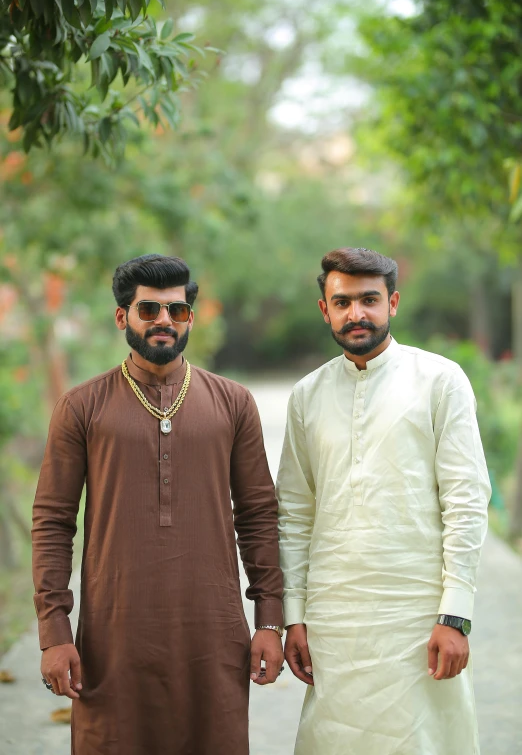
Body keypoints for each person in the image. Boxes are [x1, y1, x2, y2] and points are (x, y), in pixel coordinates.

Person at [32, 254, 284, 755]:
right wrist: (54, 631)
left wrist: (270, 619)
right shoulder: (82, 407)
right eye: (149, 309)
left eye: (177, 310)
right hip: (114, 638)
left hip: (213, 637)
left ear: (189, 316)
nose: (164, 320)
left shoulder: (233, 403)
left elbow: (258, 516)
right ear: (122, 316)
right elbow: (53, 522)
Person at [277, 247, 491, 755]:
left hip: (418, 616)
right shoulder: (306, 396)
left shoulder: (440, 381)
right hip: (335, 620)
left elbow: (466, 498)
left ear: (392, 303)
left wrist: (455, 614)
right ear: (324, 309)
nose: (357, 313)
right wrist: (293, 614)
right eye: (343, 301)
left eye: (369, 299)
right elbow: (294, 512)